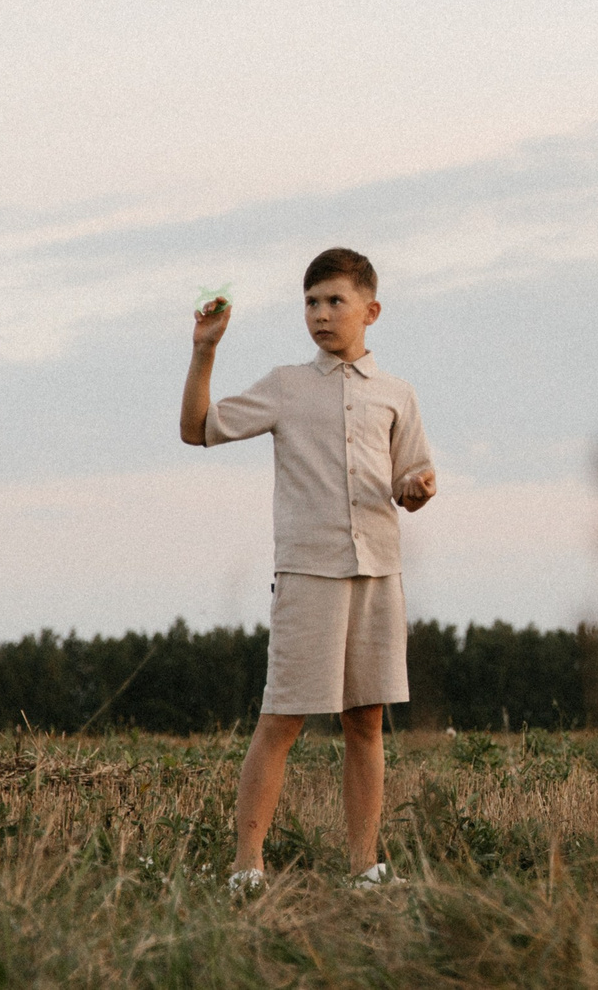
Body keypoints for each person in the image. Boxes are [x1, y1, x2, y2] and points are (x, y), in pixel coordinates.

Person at [182, 247, 438, 892]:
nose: (320, 315)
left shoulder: (397, 395)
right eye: (310, 303)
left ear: (370, 310)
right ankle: (246, 866)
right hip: (308, 573)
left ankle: (365, 868)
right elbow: (196, 430)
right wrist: (205, 351)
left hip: (379, 572)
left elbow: (410, 477)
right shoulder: (285, 386)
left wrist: (417, 487)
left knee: (367, 721)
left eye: (335, 301)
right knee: (284, 719)